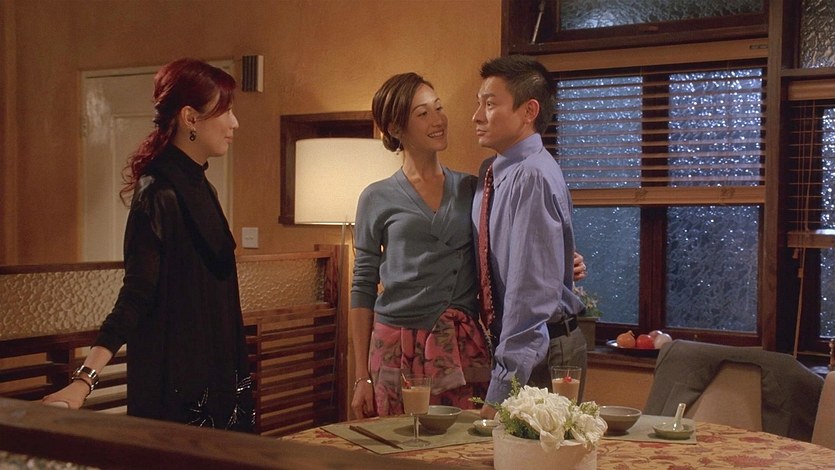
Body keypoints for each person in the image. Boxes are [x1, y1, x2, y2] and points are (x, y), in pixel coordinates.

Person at [42, 58, 254, 432]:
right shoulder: (158, 192)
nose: (234, 123)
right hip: (177, 387)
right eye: (225, 111)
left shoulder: (203, 188)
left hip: (219, 376)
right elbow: (137, 295)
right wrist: (84, 380)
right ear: (190, 118)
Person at [350, 72, 492, 418]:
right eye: (423, 113)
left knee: (463, 442)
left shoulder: (470, 189)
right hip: (394, 345)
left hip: (457, 343)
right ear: (396, 128)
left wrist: (561, 262)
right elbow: (363, 285)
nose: (438, 120)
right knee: (396, 440)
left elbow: (500, 250)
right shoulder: (375, 197)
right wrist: (360, 377)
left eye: (438, 108)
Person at [471, 55, 587, 419]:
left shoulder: (532, 177)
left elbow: (530, 296)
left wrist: (501, 389)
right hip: (518, 346)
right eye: (479, 103)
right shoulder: (492, 172)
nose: (476, 116)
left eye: (490, 104)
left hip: (541, 348)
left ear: (528, 111)